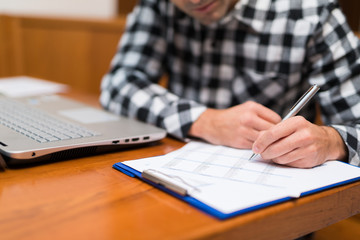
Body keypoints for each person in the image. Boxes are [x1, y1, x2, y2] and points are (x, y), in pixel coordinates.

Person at [100, 0, 360, 168]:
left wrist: (329, 141)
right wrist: (205, 121)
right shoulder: (158, 5)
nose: (194, 1)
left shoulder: (311, 13)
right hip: (175, 181)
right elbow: (119, 83)